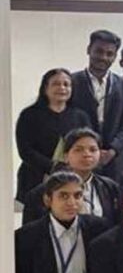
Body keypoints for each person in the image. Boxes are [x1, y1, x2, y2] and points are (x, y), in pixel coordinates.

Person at [15, 68, 91, 201]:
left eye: (66, 84)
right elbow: (25, 150)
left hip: (73, 178)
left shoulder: (81, 116)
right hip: (35, 177)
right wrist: (53, 167)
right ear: (45, 88)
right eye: (56, 84)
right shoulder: (29, 115)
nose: (62, 88)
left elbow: (88, 145)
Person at [69, 30, 123, 178]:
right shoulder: (72, 82)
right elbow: (67, 120)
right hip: (80, 157)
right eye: (99, 51)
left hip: (114, 160)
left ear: (115, 57)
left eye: (109, 53)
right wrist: (87, 149)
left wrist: (112, 150)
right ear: (88, 50)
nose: (103, 57)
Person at [23, 128, 120, 225]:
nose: (87, 154)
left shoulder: (110, 188)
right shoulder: (40, 193)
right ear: (66, 156)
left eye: (93, 150)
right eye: (78, 150)